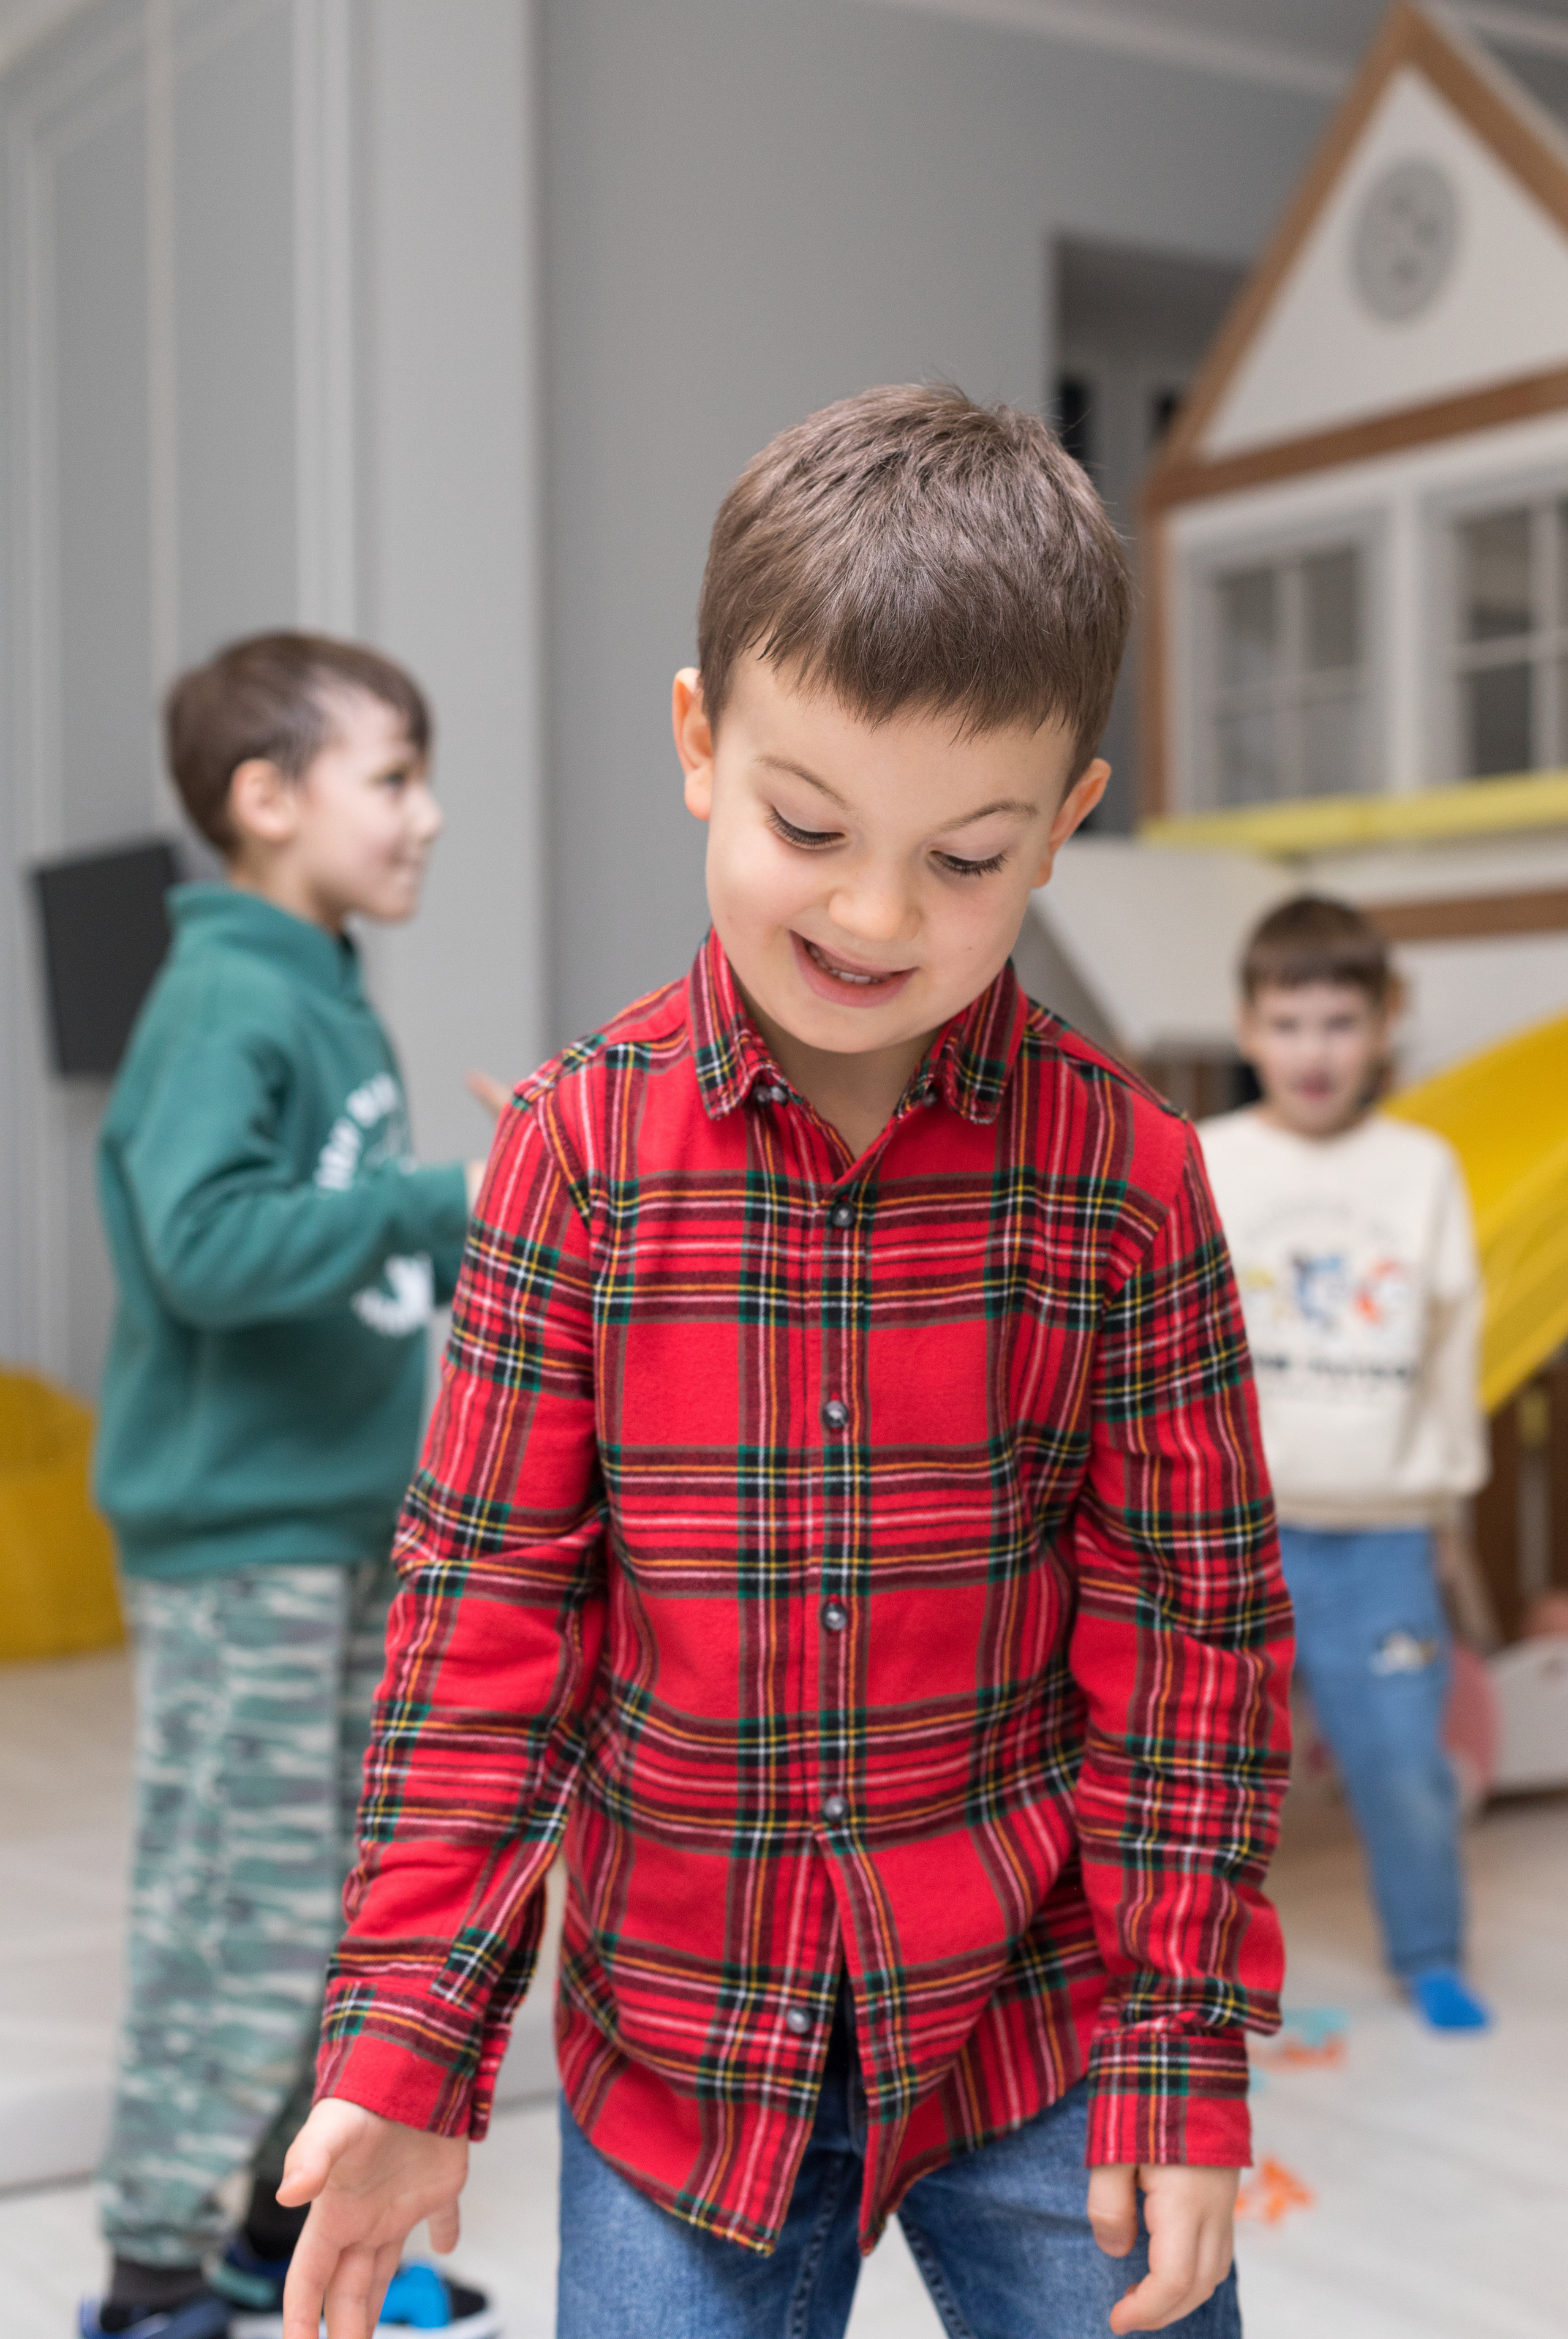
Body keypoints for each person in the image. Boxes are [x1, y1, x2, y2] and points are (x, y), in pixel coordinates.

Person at [281, 388, 1294, 2339]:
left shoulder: (1128, 1176)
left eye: (968, 857)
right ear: (699, 745)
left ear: (1067, 824)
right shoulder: (575, 1150)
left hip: (1038, 2024)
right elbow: (486, 1613)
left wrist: (1182, 2043)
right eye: (808, 826)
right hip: (685, 2047)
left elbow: (1190, 1631)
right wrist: (415, 2041)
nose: (873, 914)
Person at [86, 633, 501, 2339]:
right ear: (267, 803)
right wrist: (433, 1200)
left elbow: (346, 1261)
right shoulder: (232, 995)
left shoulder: (322, 987)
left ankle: (284, 2229)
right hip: (240, 1542)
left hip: (340, 1523)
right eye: (393, 778)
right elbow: (200, 1244)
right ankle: (152, 2267)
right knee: (239, 1903)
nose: (431, 815)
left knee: (347, 1894)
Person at [1199, 894, 1491, 2032]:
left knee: (1403, 1760)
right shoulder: (1206, 1159)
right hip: (1239, 1530)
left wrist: (1446, 1503)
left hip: (1384, 1535)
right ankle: (1191, 1980)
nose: (1312, 1050)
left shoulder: (1422, 1168)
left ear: (1383, 1024)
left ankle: (1427, 1950)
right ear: (1246, 1026)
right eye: (1289, 1022)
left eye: (1337, 1022)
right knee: (1210, 1772)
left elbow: (1451, 1341)